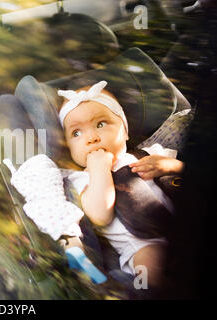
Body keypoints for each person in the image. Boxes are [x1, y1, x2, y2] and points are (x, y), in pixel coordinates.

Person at [57, 80, 184, 287]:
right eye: (76, 133)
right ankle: (144, 289)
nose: (91, 138)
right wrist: (99, 169)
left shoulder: (151, 153)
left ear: (124, 131)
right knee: (153, 263)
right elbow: (100, 215)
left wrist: (170, 165)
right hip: (141, 246)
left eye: (100, 124)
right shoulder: (81, 179)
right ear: (70, 149)